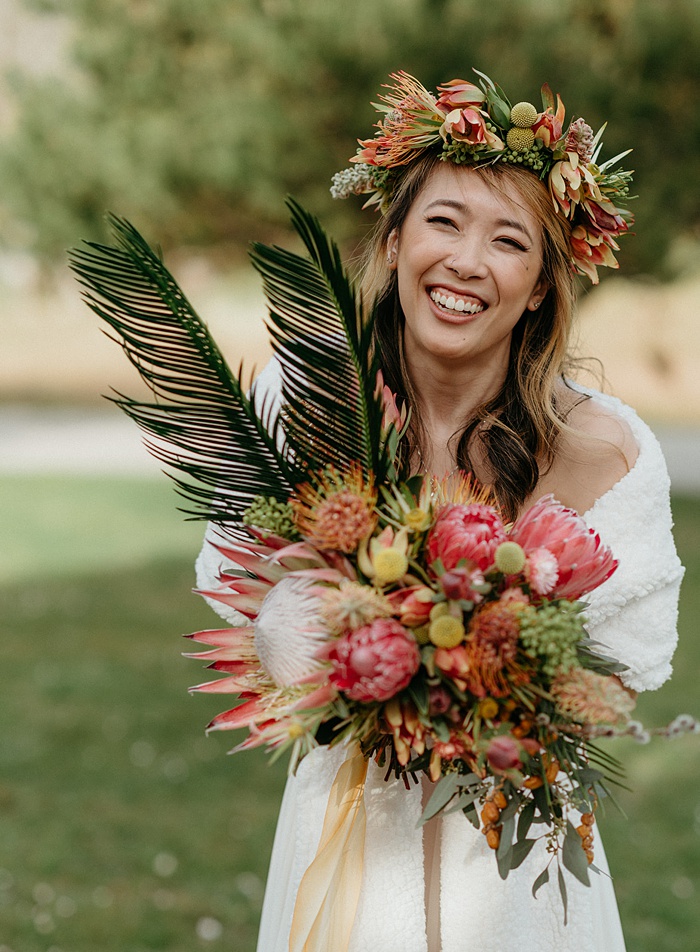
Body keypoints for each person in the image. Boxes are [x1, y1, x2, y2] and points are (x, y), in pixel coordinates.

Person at [196, 69, 684, 952]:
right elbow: (234, 587)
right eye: (444, 222)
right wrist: (349, 644)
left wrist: (482, 665)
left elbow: (624, 670)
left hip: (515, 848)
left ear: (539, 287)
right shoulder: (304, 406)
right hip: (346, 822)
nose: (466, 261)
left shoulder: (603, 451)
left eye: (508, 241)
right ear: (393, 239)